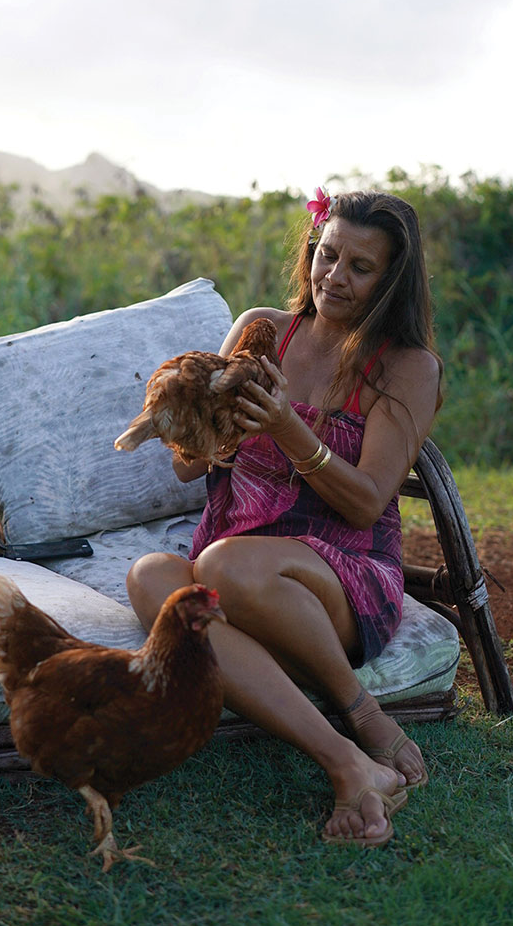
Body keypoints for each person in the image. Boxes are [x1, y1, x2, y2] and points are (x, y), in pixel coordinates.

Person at [127, 188, 443, 847]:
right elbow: (191, 464)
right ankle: (351, 765)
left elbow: (366, 501)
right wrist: (211, 431)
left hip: (343, 576)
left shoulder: (408, 369)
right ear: (310, 253)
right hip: (237, 556)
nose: (335, 276)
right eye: (327, 256)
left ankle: (362, 712)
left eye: (361, 266)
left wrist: (287, 430)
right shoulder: (264, 326)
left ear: (392, 280)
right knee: (153, 578)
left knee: (218, 569)